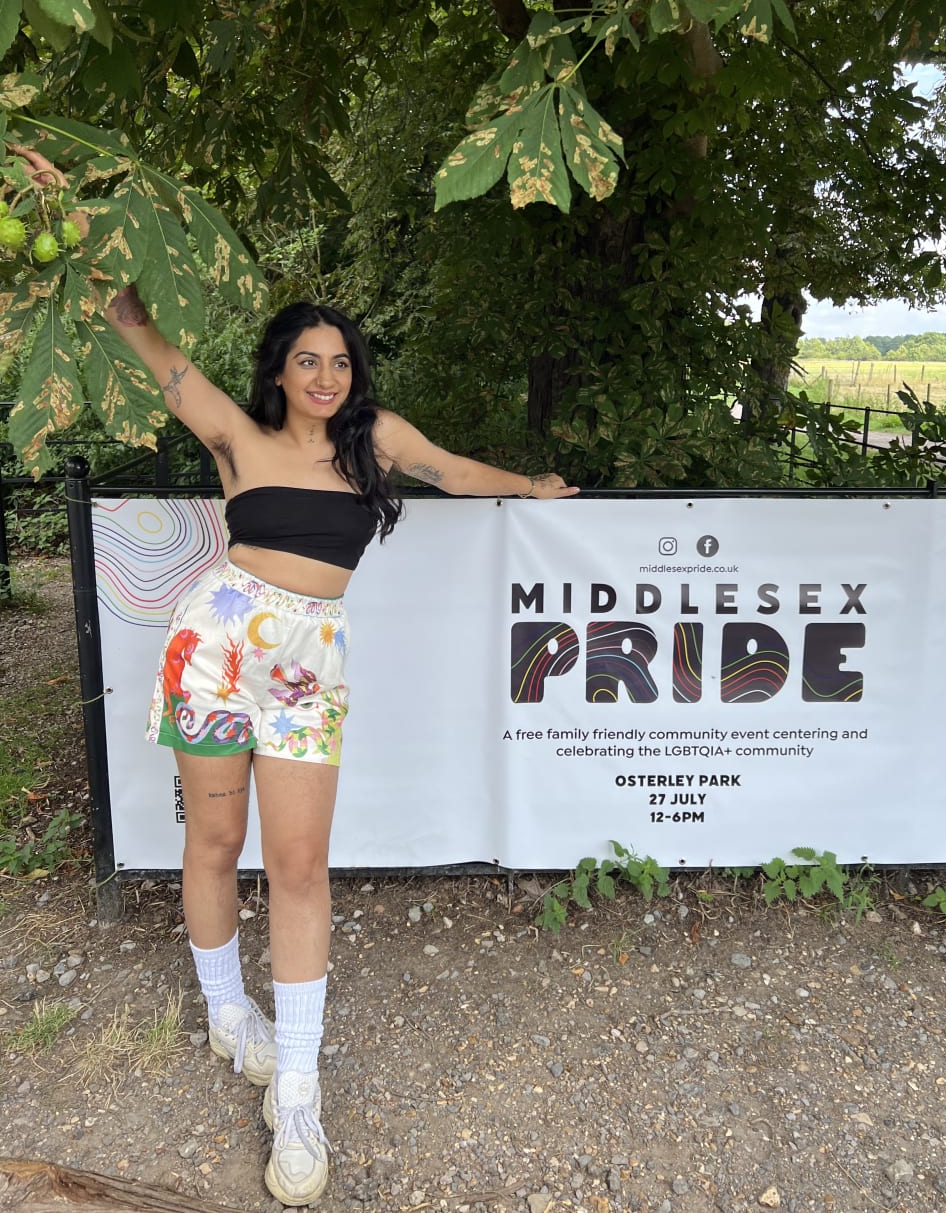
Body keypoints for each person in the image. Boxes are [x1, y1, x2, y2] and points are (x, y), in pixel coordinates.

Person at [14, 148, 578, 1206]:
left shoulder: (376, 442)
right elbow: (143, 334)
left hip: (307, 662)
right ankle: (232, 1015)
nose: (326, 376)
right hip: (213, 642)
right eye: (308, 360)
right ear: (279, 369)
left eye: (341, 362)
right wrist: (70, 221)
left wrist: (535, 486)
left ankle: (302, 1085)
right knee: (215, 841)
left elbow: (457, 472)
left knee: (303, 866)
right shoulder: (236, 436)